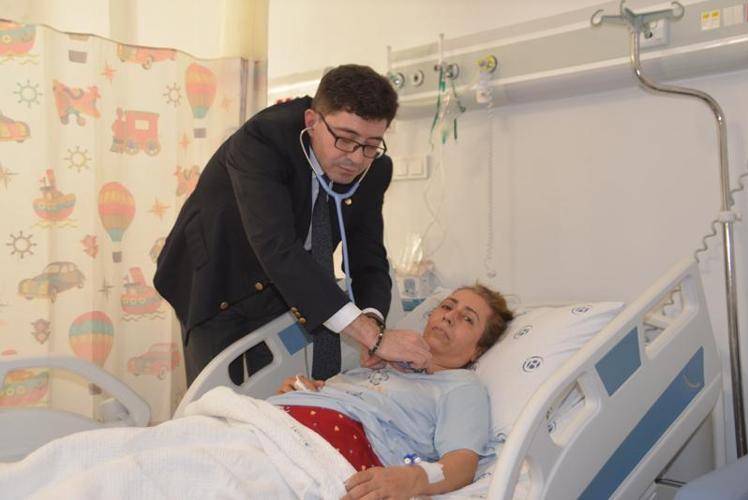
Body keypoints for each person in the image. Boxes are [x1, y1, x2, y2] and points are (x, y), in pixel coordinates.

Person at [154, 64, 432, 385]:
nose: (356, 158)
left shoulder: (375, 170)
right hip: (215, 277)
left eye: (371, 145)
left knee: (272, 389)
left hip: (284, 283)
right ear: (312, 122)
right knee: (218, 397)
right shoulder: (262, 141)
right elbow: (277, 246)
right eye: (346, 139)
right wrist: (373, 338)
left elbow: (367, 257)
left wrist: (373, 321)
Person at [268, 284, 515, 499]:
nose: (450, 316)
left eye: (468, 319)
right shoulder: (382, 357)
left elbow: (462, 464)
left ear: (478, 350)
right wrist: (301, 392)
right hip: (279, 420)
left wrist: (412, 479)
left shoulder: (461, 385)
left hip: (334, 446)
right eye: (447, 306)